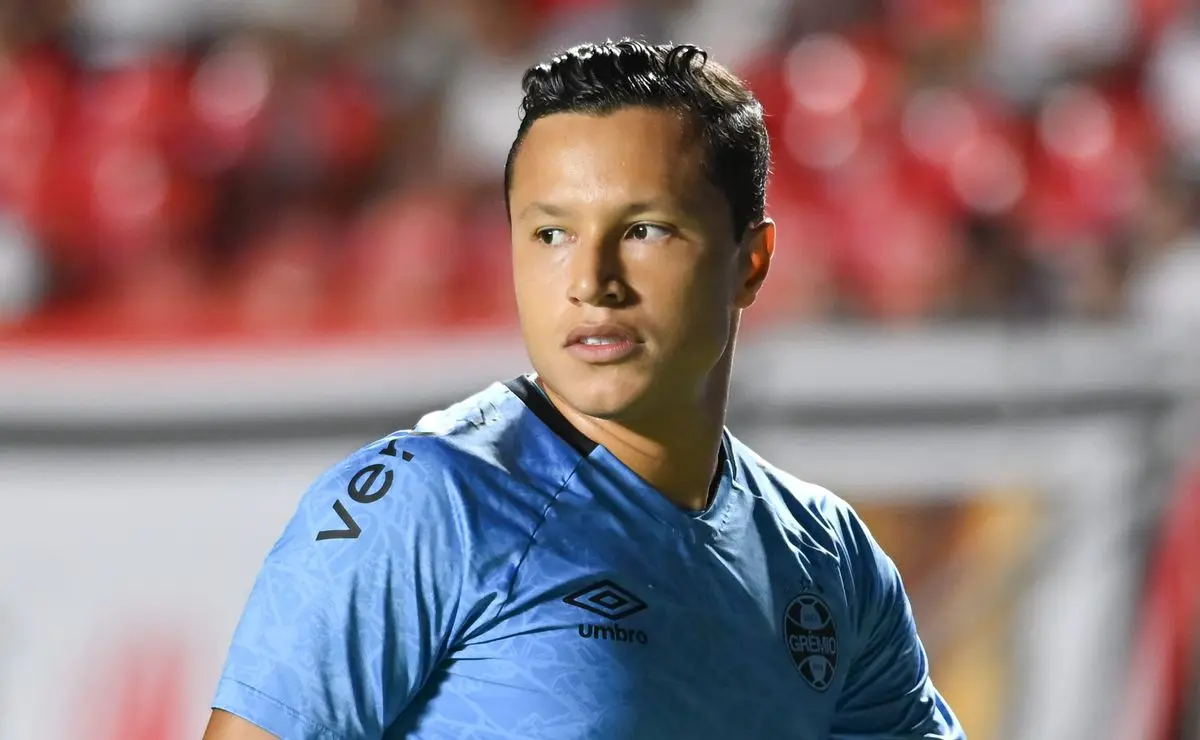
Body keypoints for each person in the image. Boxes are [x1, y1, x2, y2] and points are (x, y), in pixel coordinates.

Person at [203, 39, 965, 740]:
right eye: (551, 234)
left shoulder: (830, 559)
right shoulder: (426, 507)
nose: (592, 281)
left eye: (644, 230)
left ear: (750, 262)